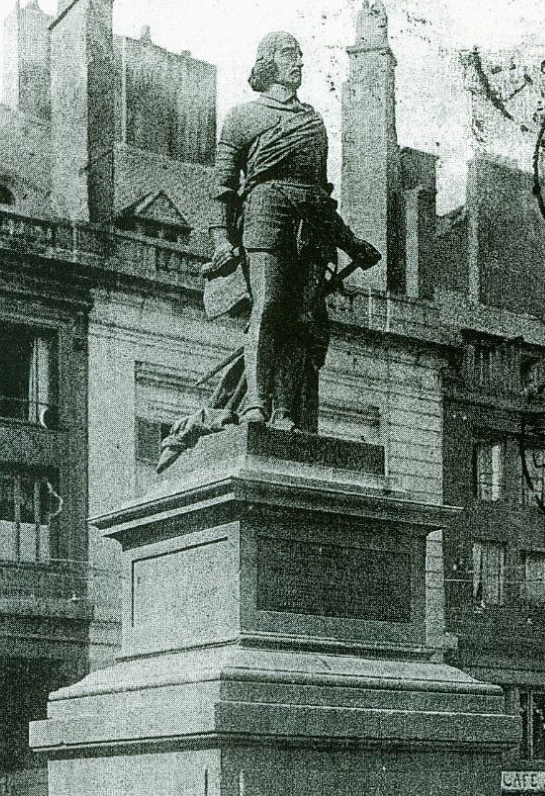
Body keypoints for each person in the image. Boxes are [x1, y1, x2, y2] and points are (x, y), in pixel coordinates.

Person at [157, 31, 380, 471]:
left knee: (302, 319)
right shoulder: (242, 117)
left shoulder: (314, 123)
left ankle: (284, 412)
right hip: (264, 213)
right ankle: (256, 405)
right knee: (271, 305)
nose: (298, 63)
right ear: (268, 63)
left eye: (300, 55)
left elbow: (321, 194)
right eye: (288, 55)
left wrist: (350, 241)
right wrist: (222, 239)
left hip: (311, 225)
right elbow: (222, 188)